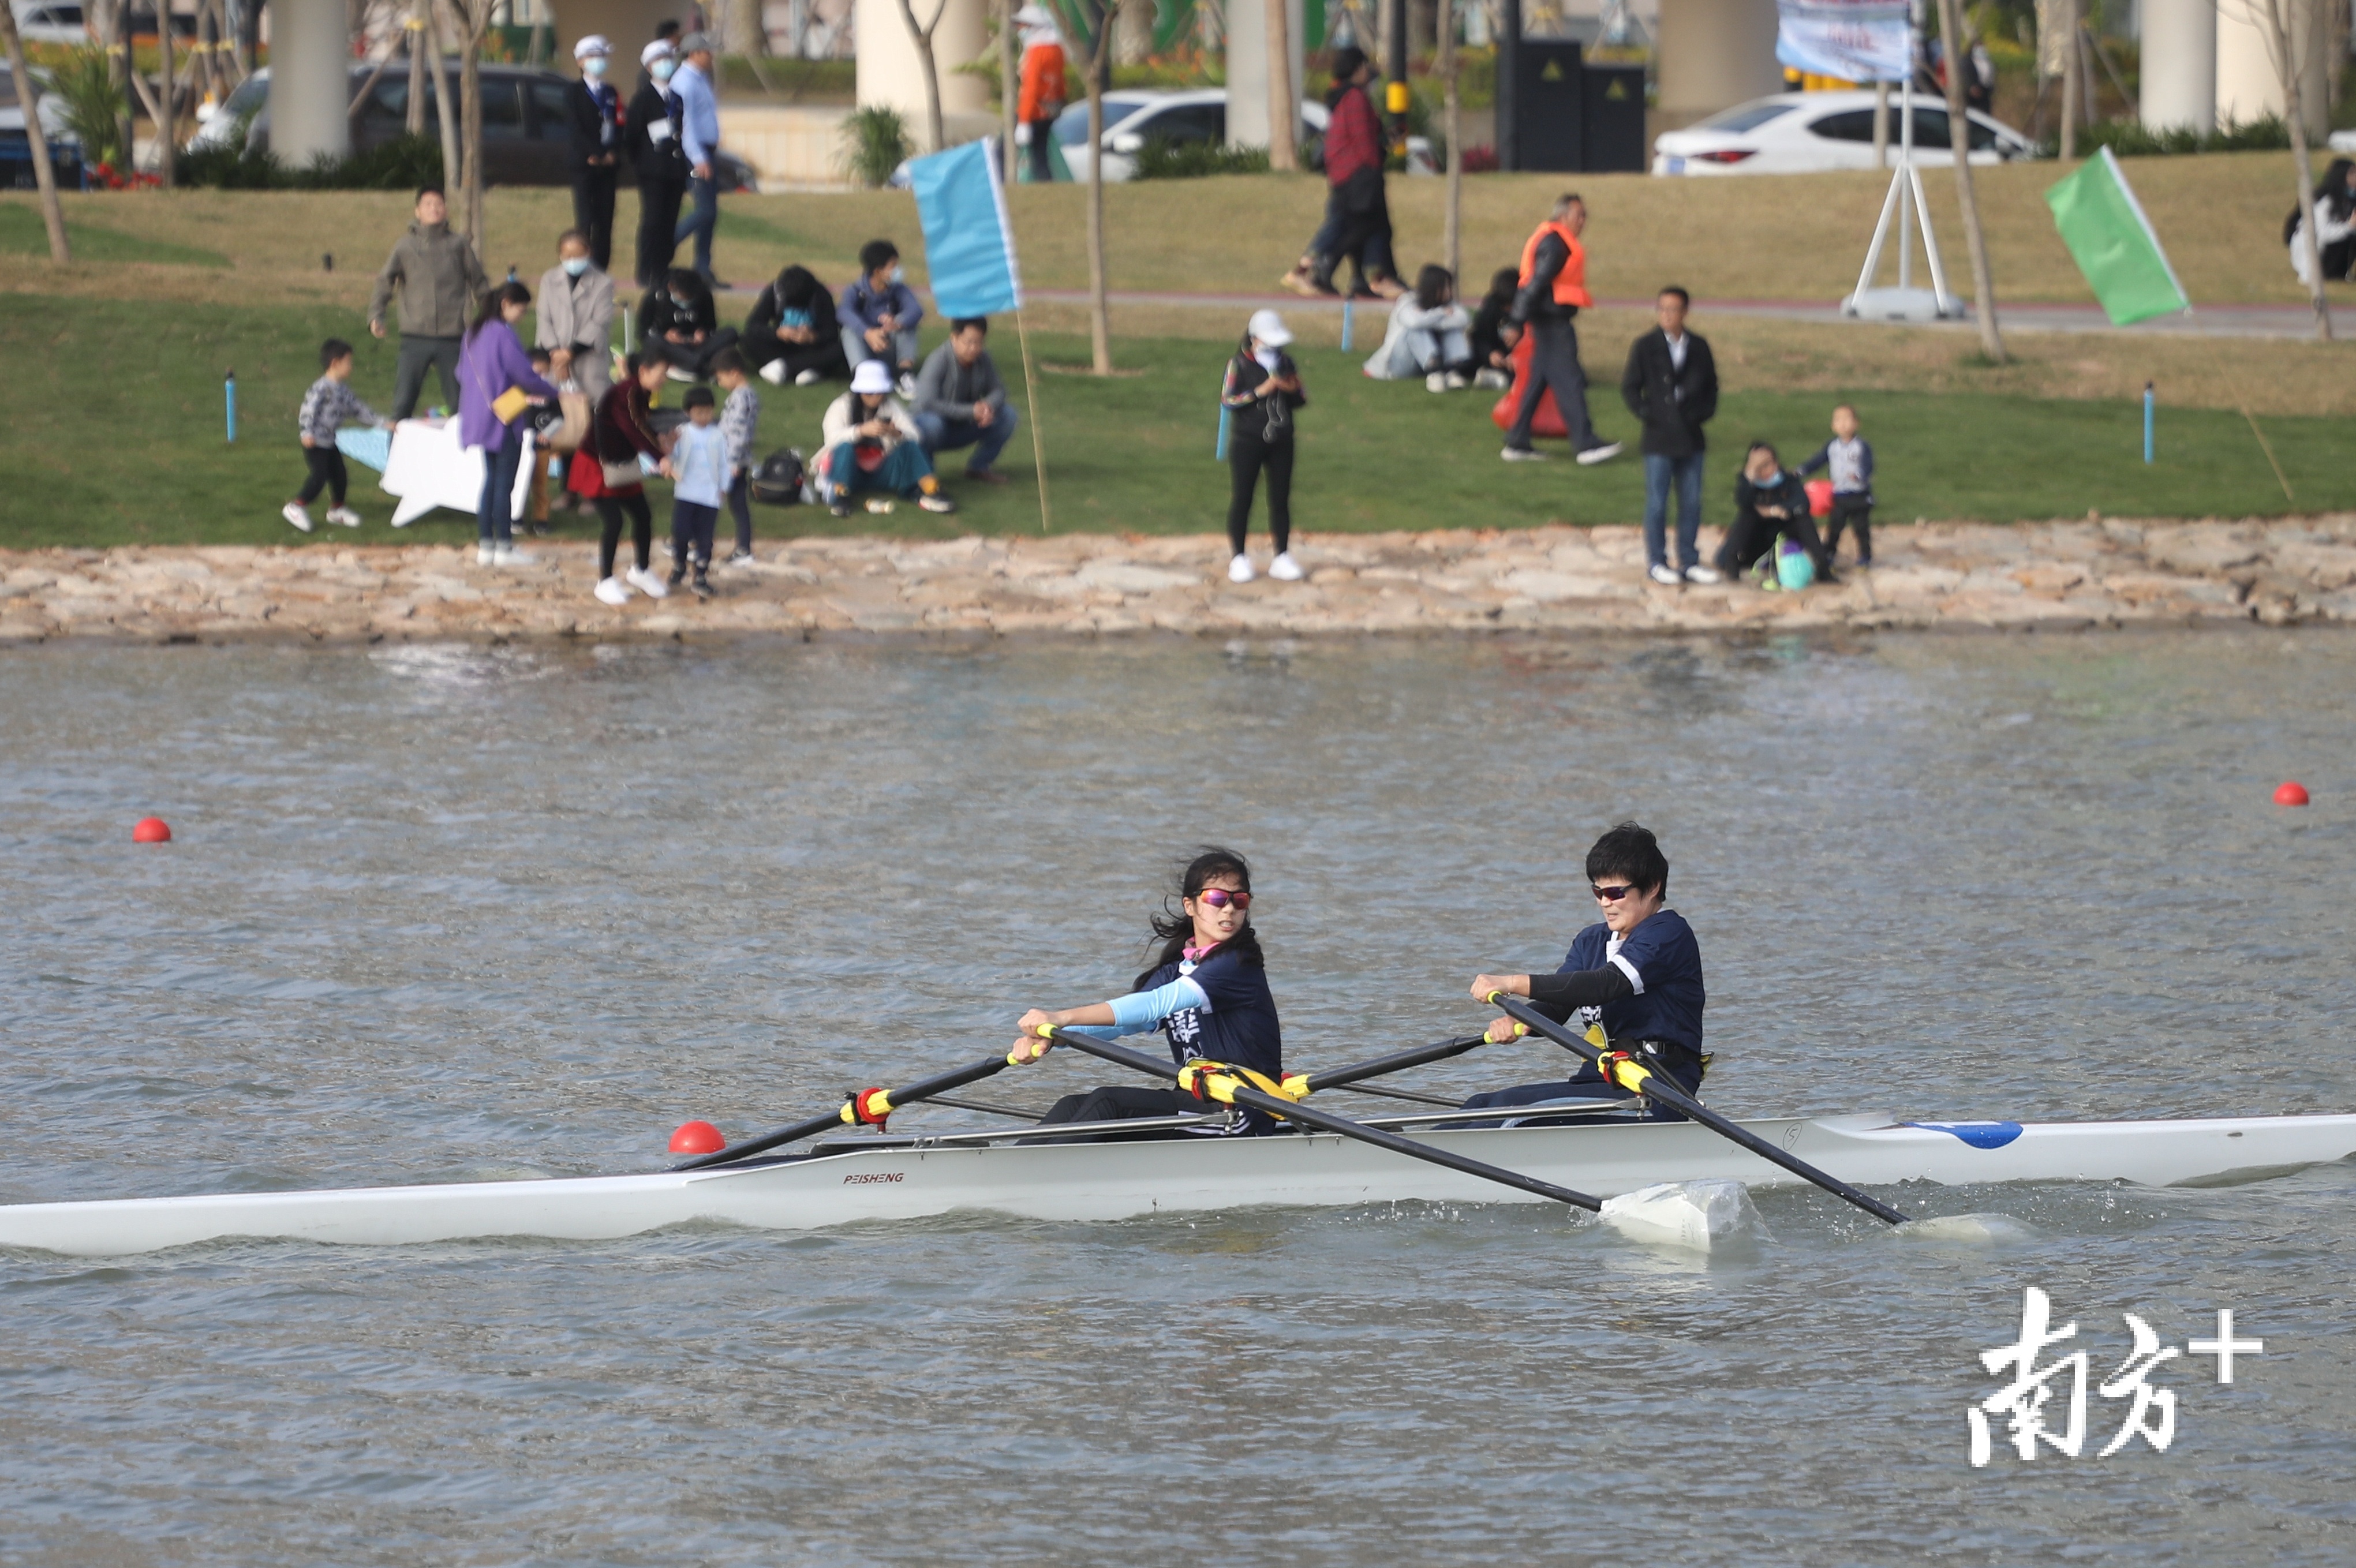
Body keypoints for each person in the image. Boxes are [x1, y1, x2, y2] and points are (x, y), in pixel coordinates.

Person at [1007, 848, 1284, 1141]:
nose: (1229, 909)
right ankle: (1011, 1170)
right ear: (1190, 906)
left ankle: (1034, 1179)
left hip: (1241, 1112)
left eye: (1239, 900)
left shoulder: (1237, 964)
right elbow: (1126, 1022)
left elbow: (1153, 1005)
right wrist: (1053, 1037)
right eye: (1216, 898)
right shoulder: (1178, 970)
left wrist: (1060, 1017)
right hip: (1200, 1103)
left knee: (1109, 1104)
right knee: (1071, 1105)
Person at [1460, 822, 1705, 1120]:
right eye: (1597, 891)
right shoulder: (1591, 940)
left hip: (1658, 1086)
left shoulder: (1668, 934)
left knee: (1514, 1113)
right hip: (1601, 1077)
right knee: (1481, 1103)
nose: (1604, 903)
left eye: (1616, 892)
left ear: (1652, 886)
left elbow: (1606, 985)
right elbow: (1557, 1005)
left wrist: (1510, 982)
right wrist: (1518, 1020)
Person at [1501, 192, 1621, 467]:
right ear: (1563, 216)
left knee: (1538, 382)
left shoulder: (1552, 240)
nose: (1583, 221)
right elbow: (1534, 284)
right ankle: (1585, 443)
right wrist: (1516, 322)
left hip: (1546, 320)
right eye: (1579, 215)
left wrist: (1520, 320)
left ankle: (1517, 440)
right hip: (1553, 323)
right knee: (1570, 381)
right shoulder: (1556, 245)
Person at [1619, 286, 1722, 586]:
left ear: (1685, 312)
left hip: (1691, 435)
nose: (1667, 315)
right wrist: (1649, 413)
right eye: (1662, 309)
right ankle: (1657, 560)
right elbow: (1630, 387)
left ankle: (1689, 559)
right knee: (1657, 502)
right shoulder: (1645, 345)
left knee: (1691, 501)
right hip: (1659, 437)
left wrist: (1702, 413)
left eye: (1673, 309)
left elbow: (1711, 387)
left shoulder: (1699, 346)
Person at [1280, 48, 1400, 300]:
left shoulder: (1343, 97)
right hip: (1357, 175)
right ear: (1356, 69)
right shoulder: (1355, 98)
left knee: (1367, 226)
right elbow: (1362, 140)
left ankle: (1367, 278)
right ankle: (1315, 271)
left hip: (1345, 174)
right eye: (1365, 67)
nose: (1369, 72)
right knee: (1353, 226)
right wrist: (1374, 165)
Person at [457, 280, 558, 567]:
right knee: (504, 484)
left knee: (490, 480)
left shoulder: (472, 333)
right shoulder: (504, 334)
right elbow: (524, 375)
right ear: (506, 305)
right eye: (521, 310)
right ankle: (505, 546)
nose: (522, 316)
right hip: (505, 416)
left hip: (478, 415)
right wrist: (555, 392)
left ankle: (486, 545)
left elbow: (461, 372)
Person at [368, 185, 488, 420]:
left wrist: (492, 318)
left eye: (439, 204)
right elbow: (385, 282)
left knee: (461, 405)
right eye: (428, 204)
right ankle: (394, 454)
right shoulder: (405, 246)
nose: (434, 208)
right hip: (415, 338)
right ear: (417, 211)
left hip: (452, 337)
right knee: (403, 403)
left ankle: (465, 455)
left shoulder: (459, 245)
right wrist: (376, 315)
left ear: (445, 210)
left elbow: (479, 283)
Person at [574, 350, 676, 605]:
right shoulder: (626, 393)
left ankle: (640, 571)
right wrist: (659, 457)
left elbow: (642, 425)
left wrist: (662, 441)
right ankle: (605, 581)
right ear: (644, 371)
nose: (664, 379)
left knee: (643, 515)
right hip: (599, 465)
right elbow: (633, 427)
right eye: (662, 374)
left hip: (622, 465)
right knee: (614, 521)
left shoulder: (641, 393)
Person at [1220, 308, 1306, 585]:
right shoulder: (1239, 364)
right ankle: (1239, 557)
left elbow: (1300, 399)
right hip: (1248, 440)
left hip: (1281, 440)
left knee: (1280, 499)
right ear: (1255, 338)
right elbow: (1228, 401)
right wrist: (1260, 391)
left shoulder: (1286, 362)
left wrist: (1292, 389)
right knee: (1243, 498)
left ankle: (1281, 555)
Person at [817, 360, 957, 517]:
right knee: (845, 448)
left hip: (881, 470)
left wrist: (896, 433)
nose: (876, 397)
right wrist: (860, 431)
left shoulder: (891, 406)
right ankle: (841, 496)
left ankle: (931, 490)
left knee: (909, 447)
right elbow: (831, 440)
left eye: (880, 392)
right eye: (870, 392)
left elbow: (915, 436)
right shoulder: (841, 406)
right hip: (849, 471)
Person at [285, 338, 390, 534]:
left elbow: (360, 411)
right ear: (335, 363)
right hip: (315, 442)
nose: (351, 366)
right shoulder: (321, 388)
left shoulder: (343, 391)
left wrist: (384, 423)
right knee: (320, 475)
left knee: (340, 475)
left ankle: (337, 509)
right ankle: (296, 506)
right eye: (348, 362)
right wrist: (306, 433)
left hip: (330, 442)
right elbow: (308, 411)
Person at [911, 317, 1018, 484]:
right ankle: (925, 475)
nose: (974, 348)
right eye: (969, 342)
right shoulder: (938, 360)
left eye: (979, 342)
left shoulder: (983, 359)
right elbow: (927, 402)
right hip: (931, 428)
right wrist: (971, 411)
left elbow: (999, 390)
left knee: (1008, 415)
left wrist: (987, 406)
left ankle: (979, 467)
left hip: (962, 426)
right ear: (954, 337)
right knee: (933, 424)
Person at [1716, 441, 1837, 586]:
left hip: (1783, 537)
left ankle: (1823, 568)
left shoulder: (1788, 480)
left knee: (1803, 519)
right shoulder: (1748, 483)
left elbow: (1802, 502)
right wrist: (1751, 475)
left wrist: (1776, 510)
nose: (1765, 470)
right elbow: (1743, 501)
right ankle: (1733, 567)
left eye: (1768, 463)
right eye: (1758, 466)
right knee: (1747, 516)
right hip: (1757, 542)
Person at [627, 39, 689, 287]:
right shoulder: (643, 99)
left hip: (674, 170)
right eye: (659, 60)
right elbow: (631, 136)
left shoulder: (676, 98)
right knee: (652, 221)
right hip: (652, 170)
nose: (665, 64)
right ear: (649, 66)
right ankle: (646, 269)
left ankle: (663, 268)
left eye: (668, 59)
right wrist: (641, 162)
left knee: (669, 221)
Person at [536, 228, 615, 406]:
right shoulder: (549, 279)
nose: (573, 261)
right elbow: (544, 318)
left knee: (594, 407)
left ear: (588, 253)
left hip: (588, 357)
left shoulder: (604, 282)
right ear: (560, 255)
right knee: (552, 408)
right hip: (553, 359)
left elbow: (600, 322)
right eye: (568, 256)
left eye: (578, 255)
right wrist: (557, 355)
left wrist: (570, 353)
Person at [564, 35, 623, 273]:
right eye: (592, 57)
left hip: (608, 167)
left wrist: (611, 153)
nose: (598, 61)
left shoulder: (611, 92)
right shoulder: (574, 92)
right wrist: (595, 153)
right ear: (580, 62)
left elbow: (620, 124)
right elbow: (575, 129)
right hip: (584, 164)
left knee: (605, 221)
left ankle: (601, 268)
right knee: (585, 219)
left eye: (601, 56)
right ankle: (581, 263)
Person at [1363, 264, 1472, 388]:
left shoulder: (1449, 304)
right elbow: (1413, 322)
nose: (1449, 291)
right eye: (1446, 287)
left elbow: (1464, 319)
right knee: (1416, 330)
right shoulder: (1408, 301)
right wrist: (1440, 313)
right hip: (1398, 365)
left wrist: (1427, 319)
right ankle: (1435, 373)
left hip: (1422, 365)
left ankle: (1453, 371)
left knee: (1453, 329)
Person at [669, 31, 723, 286]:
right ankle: (666, 244)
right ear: (694, 53)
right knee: (705, 210)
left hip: (707, 150)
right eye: (707, 51)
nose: (711, 56)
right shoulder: (684, 82)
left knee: (710, 214)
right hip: (696, 152)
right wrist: (699, 158)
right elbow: (686, 124)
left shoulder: (701, 79)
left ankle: (703, 268)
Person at [837, 239, 923, 393]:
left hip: (889, 348)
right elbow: (843, 312)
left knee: (908, 326)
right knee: (848, 332)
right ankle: (862, 376)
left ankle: (905, 374)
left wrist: (896, 323)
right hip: (867, 350)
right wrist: (868, 332)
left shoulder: (898, 290)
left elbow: (916, 310)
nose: (898, 270)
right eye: (893, 266)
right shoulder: (856, 291)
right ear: (878, 271)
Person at [743, 263, 851, 386]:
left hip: (811, 349)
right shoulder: (775, 291)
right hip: (783, 345)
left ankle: (783, 367)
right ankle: (809, 369)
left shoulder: (821, 295)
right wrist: (778, 333)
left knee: (842, 348)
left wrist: (813, 337)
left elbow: (832, 333)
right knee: (748, 340)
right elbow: (753, 325)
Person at [667, 386, 727, 600]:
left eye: (708, 411)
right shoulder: (682, 433)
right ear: (689, 412)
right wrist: (668, 452)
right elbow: (671, 456)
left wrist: (724, 487)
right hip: (686, 492)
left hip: (709, 495)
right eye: (699, 412)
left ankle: (701, 574)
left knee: (705, 537)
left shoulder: (718, 435)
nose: (704, 416)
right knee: (681, 532)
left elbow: (724, 463)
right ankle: (680, 564)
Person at [1798, 403, 1876, 568]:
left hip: (1859, 495)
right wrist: (1801, 471)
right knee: (1835, 526)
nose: (1843, 424)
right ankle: (1829, 553)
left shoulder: (1861, 446)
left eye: (1848, 419)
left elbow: (1869, 465)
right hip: (1839, 495)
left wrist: (1861, 475)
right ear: (1833, 426)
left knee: (1861, 528)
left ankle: (1865, 556)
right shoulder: (1832, 447)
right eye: (1838, 420)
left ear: (1857, 424)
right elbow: (1818, 461)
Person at [639, 267, 738, 381]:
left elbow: (711, 327)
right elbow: (644, 333)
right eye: (685, 297)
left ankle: (690, 365)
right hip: (670, 346)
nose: (688, 301)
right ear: (671, 288)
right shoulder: (656, 298)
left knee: (731, 333)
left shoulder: (704, 296)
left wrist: (703, 333)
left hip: (698, 346)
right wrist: (665, 336)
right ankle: (701, 366)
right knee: (655, 342)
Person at [712, 348, 761, 564]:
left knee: (711, 501)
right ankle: (744, 548)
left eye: (720, 377)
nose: (720, 382)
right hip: (738, 459)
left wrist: (730, 462)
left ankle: (696, 542)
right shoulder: (747, 395)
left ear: (734, 373)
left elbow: (738, 433)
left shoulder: (741, 398)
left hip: (732, 461)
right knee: (738, 504)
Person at [1014, 4, 1066, 185]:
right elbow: (1061, 84)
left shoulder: (1037, 52)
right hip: (1049, 111)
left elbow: (1031, 88)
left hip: (1033, 113)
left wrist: (1024, 121)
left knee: (1003, 151)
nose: (1020, 30)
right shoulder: (1057, 50)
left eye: (1023, 26)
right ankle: (1046, 184)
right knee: (1040, 154)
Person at [2286, 158, 2356, 285]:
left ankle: (2342, 273)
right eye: (2352, 173)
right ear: (2341, 176)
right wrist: (2349, 226)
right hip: (2312, 253)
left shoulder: (2347, 199)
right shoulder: (2325, 201)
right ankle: (2332, 274)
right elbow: (2321, 233)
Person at [1467, 267, 1521, 391]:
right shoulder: (1491, 307)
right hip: (1496, 356)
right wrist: (1490, 354)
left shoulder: (1532, 310)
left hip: (1520, 357)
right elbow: (1479, 336)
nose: (1508, 310)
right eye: (1505, 306)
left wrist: (1518, 356)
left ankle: (1496, 378)